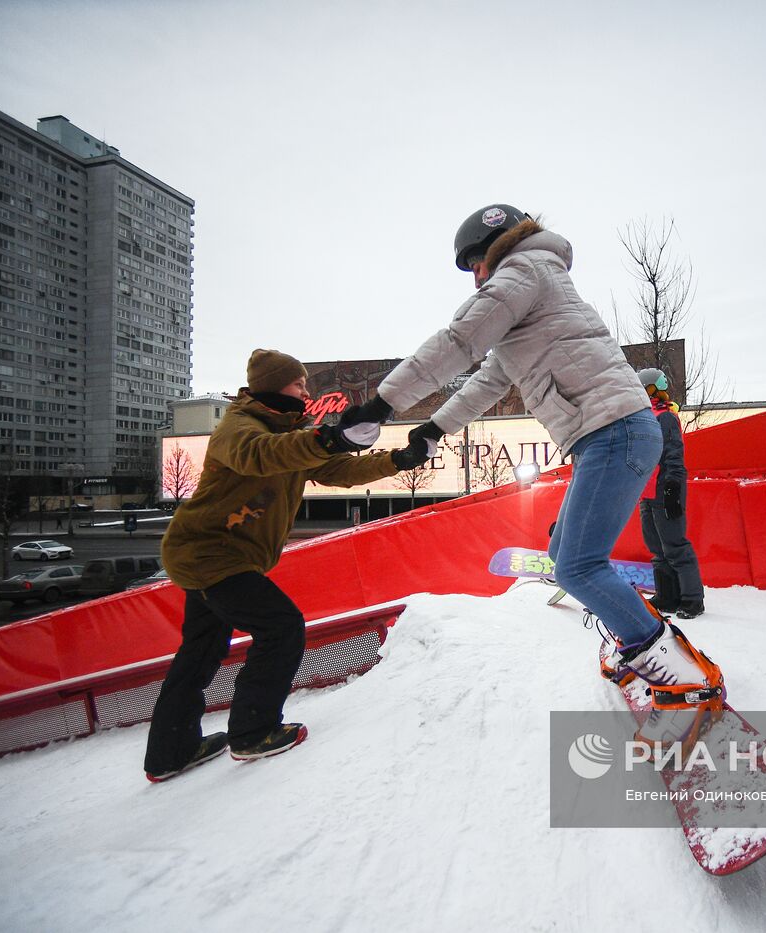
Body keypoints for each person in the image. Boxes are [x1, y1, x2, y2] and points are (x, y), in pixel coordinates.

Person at [325, 204, 724, 744]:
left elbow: (457, 341)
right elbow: (487, 379)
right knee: (567, 559)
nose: (476, 280)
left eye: (473, 267)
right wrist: (435, 429)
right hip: (605, 433)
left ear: (487, 253)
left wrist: (379, 405)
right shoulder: (534, 291)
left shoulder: (524, 271)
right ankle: (641, 642)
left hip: (616, 430)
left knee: (578, 567)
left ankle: (683, 679)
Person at [143, 349, 433, 782]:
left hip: (216, 555)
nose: (306, 390)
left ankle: (170, 752)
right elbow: (260, 455)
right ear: (272, 385)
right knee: (281, 628)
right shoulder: (240, 427)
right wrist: (328, 438)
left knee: (200, 650)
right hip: (211, 553)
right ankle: (253, 731)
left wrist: (398, 460)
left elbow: (338, 470)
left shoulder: (293, 433)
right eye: (298, 384)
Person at [635, 367, 705, 618]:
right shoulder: (643, 415)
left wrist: (673, 486)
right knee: (656, 546)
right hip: (646, 491)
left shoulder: (665, 417)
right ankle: (668, 595)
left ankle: (692, 600)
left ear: (651, 389)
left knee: (674, 545)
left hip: (665, 487)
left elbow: (674, 453)